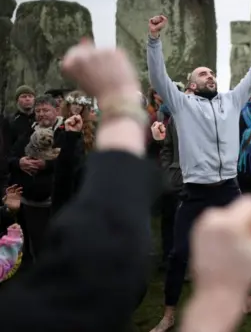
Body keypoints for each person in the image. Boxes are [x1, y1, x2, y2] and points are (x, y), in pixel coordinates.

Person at [0, 38, 161, 332]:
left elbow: (67, 182)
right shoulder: (122, 286)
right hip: (81, 200)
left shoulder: (21, 315)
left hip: (73, 201)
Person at [146, 14, 251, 332]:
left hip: (228, 188)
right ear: (191, 84)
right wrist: (153, 40)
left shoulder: (232, 101)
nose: (211, 76)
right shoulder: (181, 104)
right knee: (179, 254)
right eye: (204, 73)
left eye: (213, 73)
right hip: (196, 192)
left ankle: (248, 299)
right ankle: (169, 313)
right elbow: (159, 76)